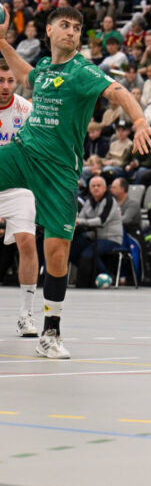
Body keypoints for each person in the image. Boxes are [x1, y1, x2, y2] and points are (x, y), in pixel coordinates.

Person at [0, 5, 151, 358]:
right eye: (65, 25)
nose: (71, 31)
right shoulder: (45, 68)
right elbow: (27, 76)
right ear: (49, 31)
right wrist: (3, 43)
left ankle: (50, 332)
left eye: (77, 27)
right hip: (25, 152)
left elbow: (118, 91)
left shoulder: (83, 71)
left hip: (59, 172)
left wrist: (139, 121)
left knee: (57, 252)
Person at [0, 59, 39, 336]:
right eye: (0, 81)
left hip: (18, 186)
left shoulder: (26, 109)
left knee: (27, 241)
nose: (5, 86)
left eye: (10, 81)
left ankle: (26, 314)